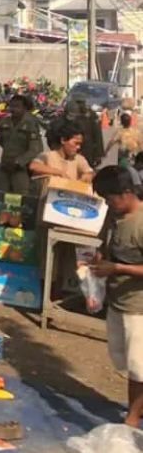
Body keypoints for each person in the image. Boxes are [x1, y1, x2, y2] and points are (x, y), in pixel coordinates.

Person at [93, 166, 143, 426]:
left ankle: (132, 418)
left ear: (126, 193)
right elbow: (106, 242)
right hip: (117, 300)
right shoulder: (114, 216)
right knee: (123, 360)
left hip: (139, 307)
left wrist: (118, 268)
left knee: (139, 367)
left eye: (110, 199)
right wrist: (101, 258)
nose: (107, 204)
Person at [0, 94, 44, 196]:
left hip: (21, 168)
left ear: (24, 108)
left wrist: (19, 162)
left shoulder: (30, 123)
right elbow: (1, 140)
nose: (13, 109)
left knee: (20, 198)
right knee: (0, 196)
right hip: (5, 165)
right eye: (11, 106)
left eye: (17, 106)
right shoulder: (4, 122)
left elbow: (36, 149)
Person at [29, 120, 96, 193]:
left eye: (80, 144)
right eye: (76, 143)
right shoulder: (48, 156)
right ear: (63, 140)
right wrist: (59, 173)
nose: (78, 147)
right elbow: (33, 166)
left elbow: (89, 172)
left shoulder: (78, 159)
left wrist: (88, 176)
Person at [65, 98, 105, 169]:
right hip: (74, 150)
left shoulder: (91, 115)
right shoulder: (72, 114)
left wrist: (99, 154)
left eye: (81, 103)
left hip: (88, 150)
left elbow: (98, 135)